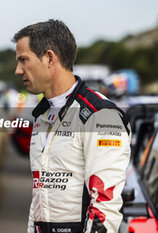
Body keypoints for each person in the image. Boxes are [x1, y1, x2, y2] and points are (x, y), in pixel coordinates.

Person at [12, 20, 131, 233]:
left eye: (23, 60)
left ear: (49, 58)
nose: (17, 70)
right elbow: (39, 197)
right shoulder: (42, 114)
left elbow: (105, 205)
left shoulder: (101, 115)